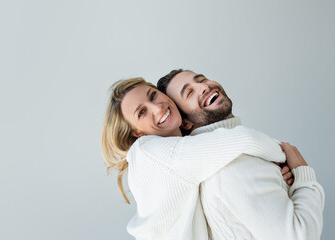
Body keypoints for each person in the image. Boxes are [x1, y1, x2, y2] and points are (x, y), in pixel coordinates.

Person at [102, 77, 289, 239]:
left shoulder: (186, 150)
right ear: (137, 133)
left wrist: (274, 169)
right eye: (142, 112)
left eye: (153, 95)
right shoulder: (148, 152)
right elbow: (245, 139)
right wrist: (287, 156)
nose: (157, 107)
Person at [157, 69, 325, 240]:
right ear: (185, 123)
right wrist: (303, 175)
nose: (204, 87)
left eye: (202, 79)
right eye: (190, 92)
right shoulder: (231, 167)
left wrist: (288, 185)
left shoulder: (245, 153)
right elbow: (301, 236)